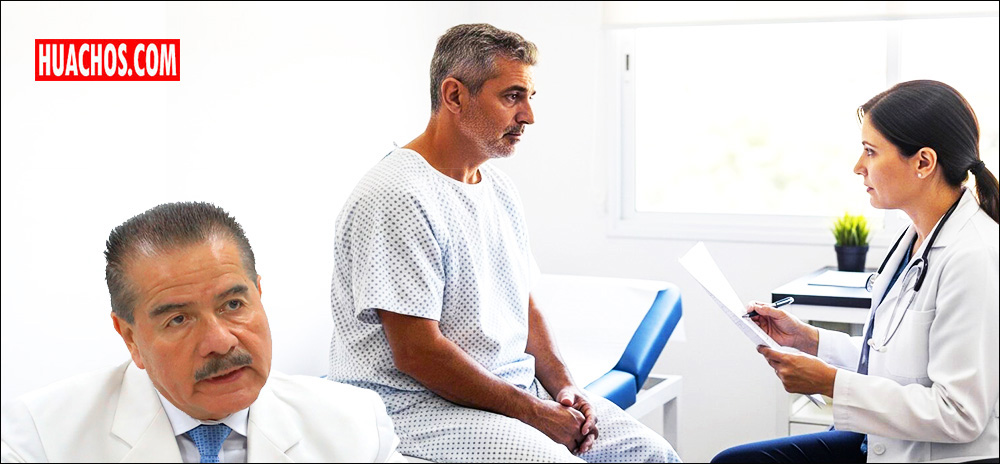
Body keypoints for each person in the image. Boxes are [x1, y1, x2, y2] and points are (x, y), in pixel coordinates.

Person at [328, 23, 680, 463]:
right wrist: (535, 414)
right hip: (415, 408)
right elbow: (418, 353)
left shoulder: (498, 188)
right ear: (454, 95)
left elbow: (523, 305)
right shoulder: (397, 196)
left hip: (510, 390)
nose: (528, 116)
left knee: (651, 454)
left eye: (529, 97)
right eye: (513, 97)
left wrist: (565, 387)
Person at [713, 80, 999, 463]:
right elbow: (893, 361)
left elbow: (960, 414)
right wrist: (807, 339)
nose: (858, 167)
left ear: (923, 162)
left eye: (870, 151)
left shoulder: (974, 256)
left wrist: (830, 383)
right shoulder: (915, 238)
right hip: (886, 440)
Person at [1, 202, 405, 463]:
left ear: (259, 294)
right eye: (178, 319)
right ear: (130, 338)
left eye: (234, 305)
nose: (221, 342)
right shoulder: (40, 439)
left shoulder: (356, 426)